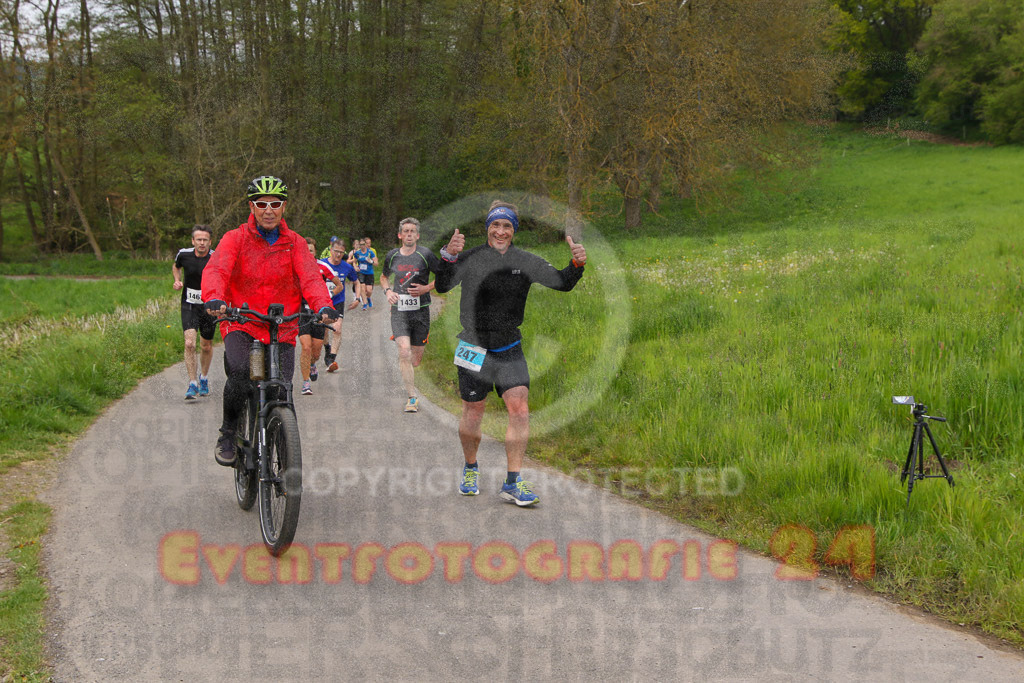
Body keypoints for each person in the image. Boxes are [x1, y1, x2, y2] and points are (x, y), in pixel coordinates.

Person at [435, 200, 587, 506]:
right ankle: (470, 467)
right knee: (473, 412)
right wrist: (449, 258)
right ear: (488, 228)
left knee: (519, 409)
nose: (501, 231)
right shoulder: (472, 257)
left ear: (514, 230)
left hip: (508, 346)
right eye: (496, 225)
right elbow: (442, 286)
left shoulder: (525, 261)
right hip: (472, 346)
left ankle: (513, 481)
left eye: (507, 226)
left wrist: (576, 265)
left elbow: (562, 282)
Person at [202, 175, 337, 466]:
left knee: (280, 387)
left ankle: (283, 449)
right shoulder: (235, 238)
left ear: (283, 207)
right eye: (261, 203)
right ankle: (228, 432)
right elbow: (218, 269)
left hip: (281, 327)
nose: (268, 209)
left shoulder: (295, 243)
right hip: (244, 322)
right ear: (251, 207)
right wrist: (215, 297)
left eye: (274, 203)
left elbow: (312, 279)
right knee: (242, 372)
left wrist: (324, 305)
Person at [380, 217, 440, 413]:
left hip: (421, 312)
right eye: (405, 231)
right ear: (400, 235)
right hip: (399, 311)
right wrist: (388, 291)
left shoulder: (425, 255)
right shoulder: (392, 255)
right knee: (404, 351)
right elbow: (383, 276)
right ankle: (412, 397)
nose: (409, 234)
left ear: (417, 235)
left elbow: (443, 277)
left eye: (412, 231)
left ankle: (410, 376)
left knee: (415, 359)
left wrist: (426, 288)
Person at [298, 237, 347, 395]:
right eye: (305, 250)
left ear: (315, 252)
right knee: (306, 347)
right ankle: (306, 383)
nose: (308, 253)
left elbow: (339, 285)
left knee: (316, 350)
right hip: (302, 312)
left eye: (310, 250)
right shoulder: (296, 267)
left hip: (318, 313)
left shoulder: (322, 267)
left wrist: (328, 296)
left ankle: (313, 364)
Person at [173, 225, 216, 400]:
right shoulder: (184, 254)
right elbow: (176, 267)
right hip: (189, 304)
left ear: (210, 242)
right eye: (199, 239)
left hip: (208, 307)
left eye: (205, 240)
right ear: (193, 241)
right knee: (189, 343)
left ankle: (203, 378)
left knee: (206, 345)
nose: (202, 243)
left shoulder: (215, 257)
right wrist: (177, 281)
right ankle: (192, 383)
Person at [318, 237, 360, 374]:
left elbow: (357, 282)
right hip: (324, 302)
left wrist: (357, 298)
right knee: (324, 329)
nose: (338, 255)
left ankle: (331, 359)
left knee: (337, 329)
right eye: (336, 251)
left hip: (338, 301)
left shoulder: (347, 267)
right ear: (330, 250)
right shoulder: (321, 264)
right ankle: (327, 348)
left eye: (341, 252)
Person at [352, 238, 378, 310]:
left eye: (364, 244)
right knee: (362, 288)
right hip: (361, 272)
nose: (362, 246)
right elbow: (354, 261)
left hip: (369, 273)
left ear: (365, 245)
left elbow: (376, 263)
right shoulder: (357, 253)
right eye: (361, 245)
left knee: (369, 290)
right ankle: (365, 304)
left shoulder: (370, 252)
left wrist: (371, 261)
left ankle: (368, 298)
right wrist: (355, 266)